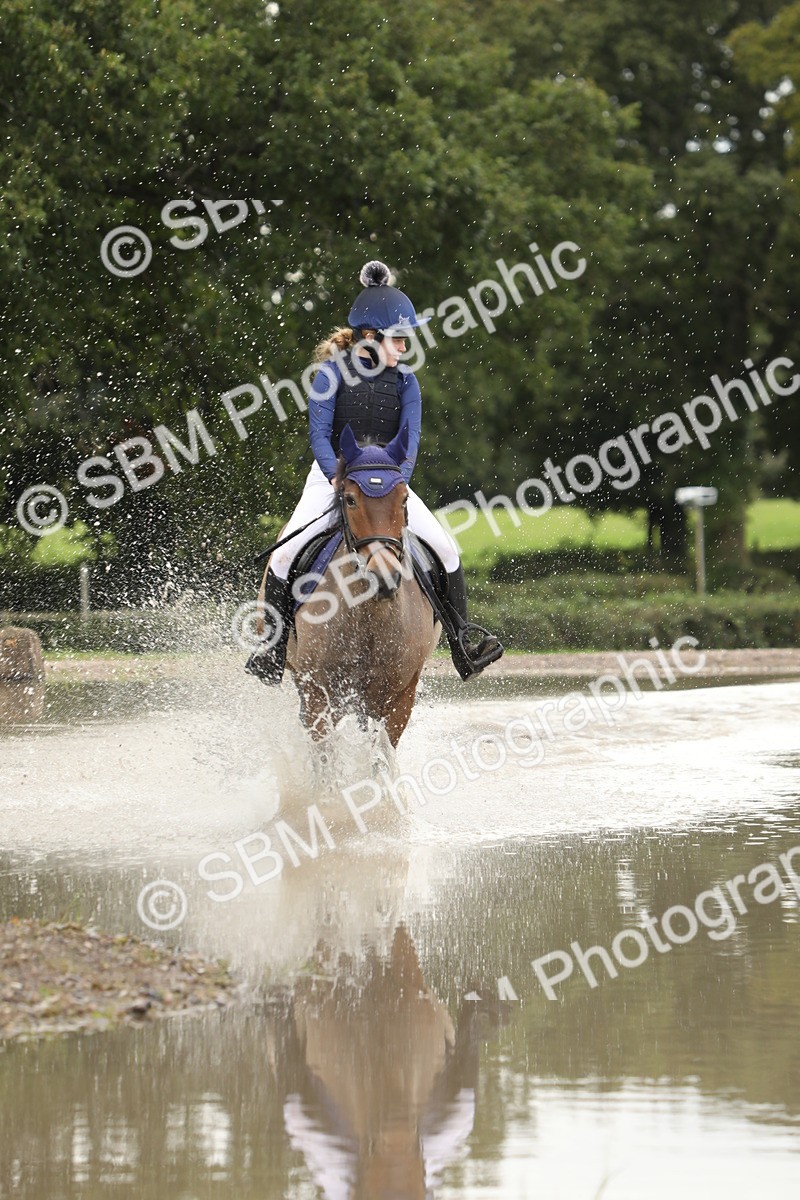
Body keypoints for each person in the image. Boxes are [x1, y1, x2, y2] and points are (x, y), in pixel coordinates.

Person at [246, 260, 503, 684]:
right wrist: (336, 476)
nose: (404, 346)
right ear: (370, 337)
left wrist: (396, 480)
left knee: (447, 549)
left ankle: (462, 644)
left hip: (386, 483)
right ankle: (272, 652)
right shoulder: (330, 374)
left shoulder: (407, 383)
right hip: (334, 476)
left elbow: (411, 441)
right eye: (399, 338)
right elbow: (319, 435)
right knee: (284, 554)